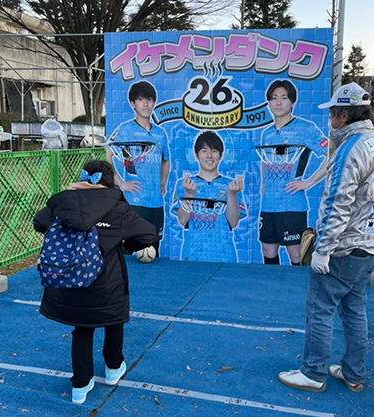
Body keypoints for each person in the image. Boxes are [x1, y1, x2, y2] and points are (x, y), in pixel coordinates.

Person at [278, 82, 374, 392]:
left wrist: (322, 250)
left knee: (319, 309)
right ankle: (353, 373)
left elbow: (337, 204)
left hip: (344, 247)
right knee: (355, 311)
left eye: (332, 114)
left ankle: (313, 373)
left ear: (344, 115)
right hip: (369, 244)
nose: (329, 119)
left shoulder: (350, 148)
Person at [33, 160, 157, 404]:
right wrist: (125, 243)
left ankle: (80, 386)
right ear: (109, 180)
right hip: (107, 283)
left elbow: (40, 223)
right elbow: (148, 233)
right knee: (113, 321)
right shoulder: (117, 207)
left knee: (81, 330)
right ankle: (113, 368)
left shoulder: (64, 201)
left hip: (69, 280)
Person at [258, 79, 328, 265]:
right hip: (268, 204)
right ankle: (272, 283)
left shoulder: (306, 128)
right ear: (269, 102)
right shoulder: (266, 133)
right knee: (268, 249)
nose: (278, 103)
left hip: (292, 203)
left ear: (292, 102)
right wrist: (264, 183)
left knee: (296, 254)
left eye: (284, 98)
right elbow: (265, 160)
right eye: (274, 98)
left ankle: (299, 285)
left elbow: (333, 155)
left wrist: (309, 182)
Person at [107, 81, 170, 255]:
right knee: (128, 250)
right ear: (133, 104)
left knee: (153, 250)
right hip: (135, 201)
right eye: (141, 100)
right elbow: (108, 155)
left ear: (154, 102)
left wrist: (163, 182)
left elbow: (166, 160)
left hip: (156, 202)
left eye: (149, 99)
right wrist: (121, 183)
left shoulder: (160, 133)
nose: (145, 104)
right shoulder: (125, 130)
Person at [172, 131, 246, 262]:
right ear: (196, 155)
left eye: (214, 151)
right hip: (193, 254)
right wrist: (190, 194)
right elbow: (182, 220)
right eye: (204, 151)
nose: (209, 155)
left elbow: (233, 222)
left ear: (221, 155)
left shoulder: (231, 185)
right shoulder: (184, 184)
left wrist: (231, 195)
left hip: (224, 255)